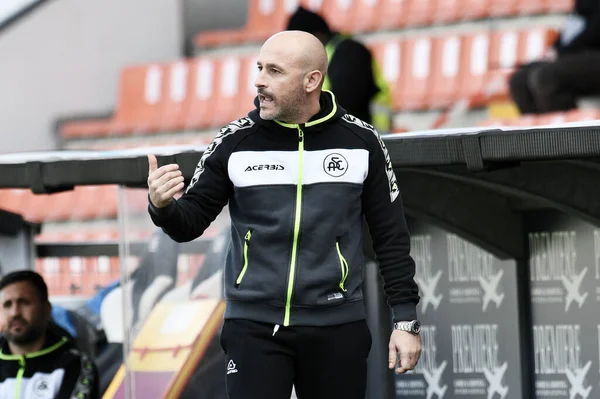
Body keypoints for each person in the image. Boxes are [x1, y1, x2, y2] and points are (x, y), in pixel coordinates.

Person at [147, 30, 421, 399]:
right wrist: (162, 207)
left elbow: (391, 238)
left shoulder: (362, 142)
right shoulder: (234, 142)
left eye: (274, 71)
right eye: (260, 67)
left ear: (312, 80)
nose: (259, 80)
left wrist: (405, 321)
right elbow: (189, 224)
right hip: (253, 326)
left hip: (338, 326)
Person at [286, 6, 393, 133]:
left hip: (364, 139)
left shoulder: (349, 52)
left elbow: (346, 104)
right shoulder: (330, 54)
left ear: (317, 36)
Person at [0, 270, 99, 399]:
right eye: (7, 305)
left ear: (46, 309)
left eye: (24, 302)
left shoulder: (75, 364)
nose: (15, 313)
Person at [508, 0, 600, 114]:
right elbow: (574, 30)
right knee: (519, 80)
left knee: (546, 77)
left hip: (592, 54)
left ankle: (567, 130)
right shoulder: (582, 7)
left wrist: (561, 52)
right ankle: (537, 130)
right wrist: (556, 49)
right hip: (577, 54)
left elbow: (593, 31)